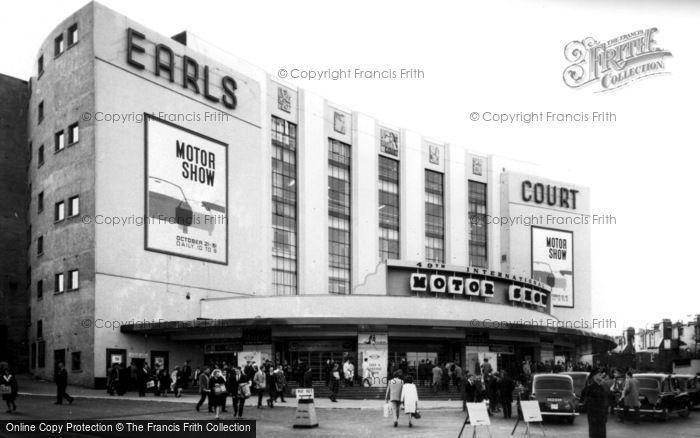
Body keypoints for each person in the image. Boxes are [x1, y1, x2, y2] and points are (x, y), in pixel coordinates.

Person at [581, 368, 609, 438]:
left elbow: (605, 402)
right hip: (594, 417)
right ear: (594, 376)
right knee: (595, 434)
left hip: (601, 417)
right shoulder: (590, 388)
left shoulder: (602, 387)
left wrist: (606, 414)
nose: (601, 377)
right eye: (599, 375)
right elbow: (586, 402)